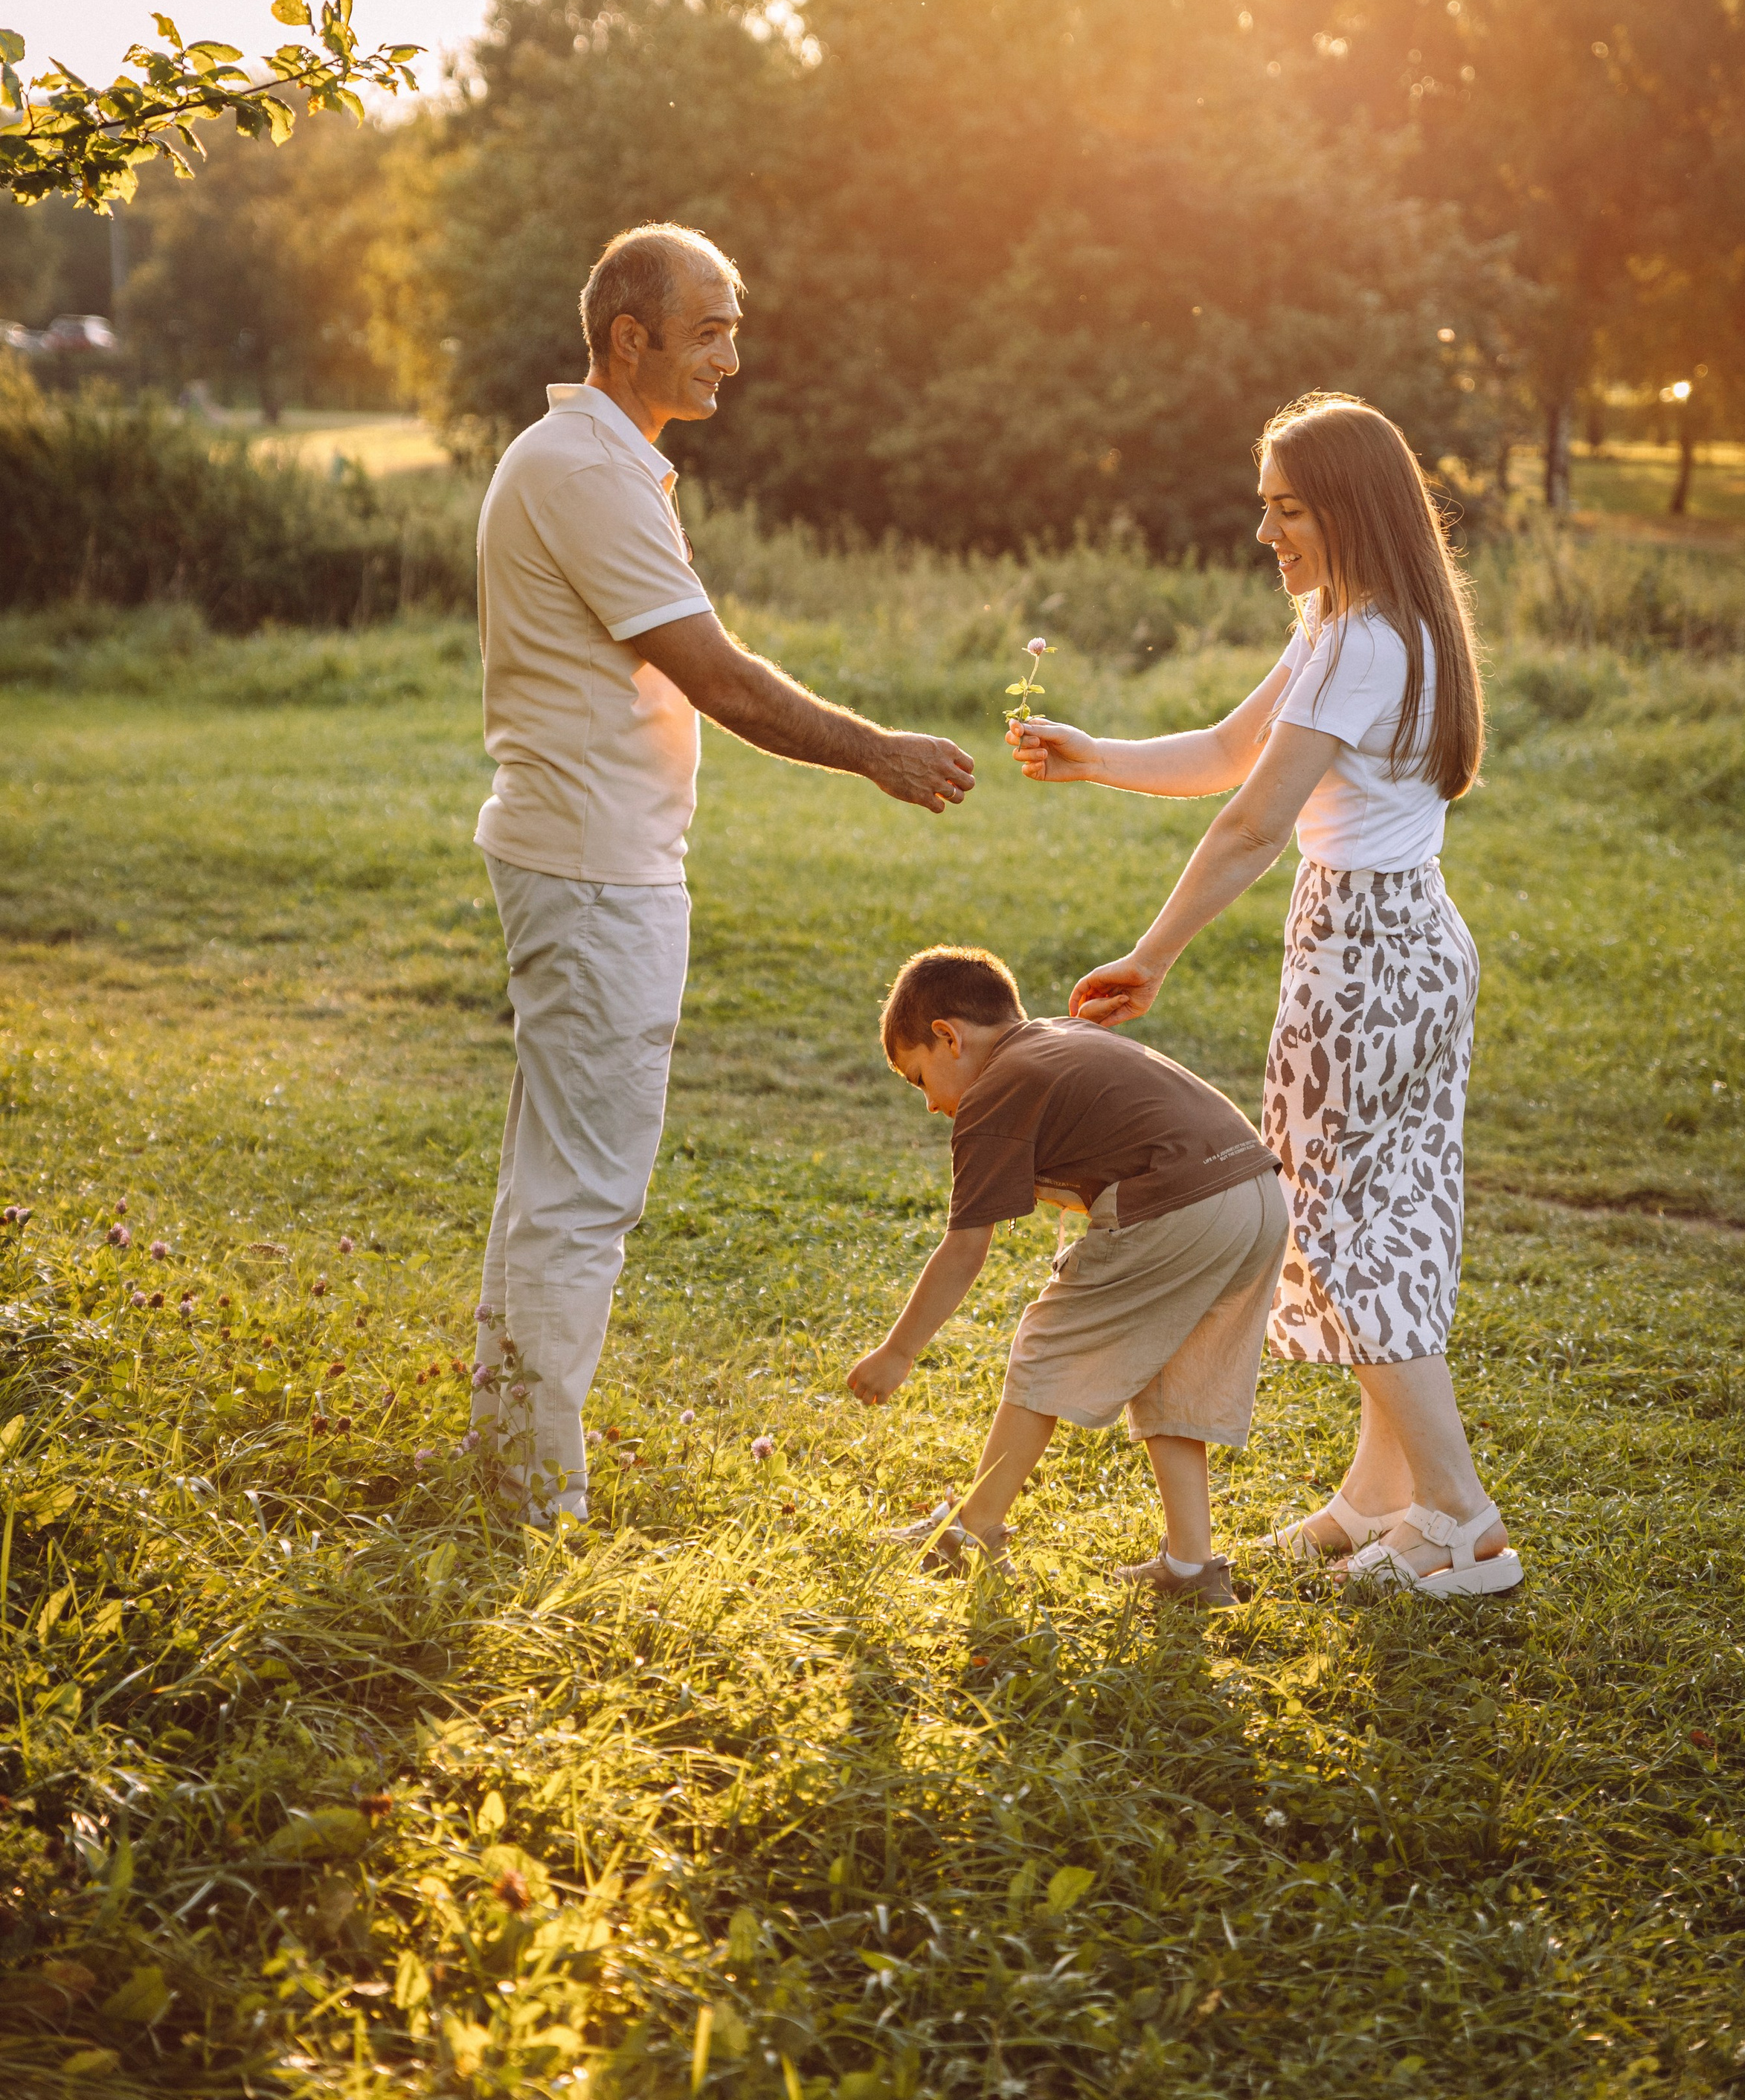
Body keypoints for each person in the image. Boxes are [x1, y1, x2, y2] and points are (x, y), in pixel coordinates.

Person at [468, 222, 975, 1525]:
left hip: (587, 856)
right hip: (595, 873)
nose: (734, 358)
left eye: (735, 326)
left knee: (553, 1179)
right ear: (627, 336)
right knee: (585, 1192)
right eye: (710, 329)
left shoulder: (594, 459)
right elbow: (723, 676)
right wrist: (877, 753)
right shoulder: (585, 469)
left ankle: (508, 1462)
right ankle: (536, 1502)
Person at [1009, 390, 1520, 1600]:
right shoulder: (1351, 624)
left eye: (1287, 509)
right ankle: (1378, 1494)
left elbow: (1253, 821)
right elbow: (1230, 754)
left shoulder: (1365, 640)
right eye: (1264, 508)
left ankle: (1459, 1518)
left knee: (1347, 1232)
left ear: (1347, 509)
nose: (1266, 533)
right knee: (1387, 1216)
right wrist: (1098, 760)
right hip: (1397, 947)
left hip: (1369, 952)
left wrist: (1153, 952)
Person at [846, 944, 1287, 1607]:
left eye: (919, 1080)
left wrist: (899, 1351)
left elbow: (965, 1248)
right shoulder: (1058, 1036)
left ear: (948, 1036)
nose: (931, 1106)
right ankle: (1193, 1566)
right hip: (1257, 1192)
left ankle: (971, 1532)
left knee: (1045, 1347)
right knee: (1170, 1375)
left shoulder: (995, 1090)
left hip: (1178, 1201)